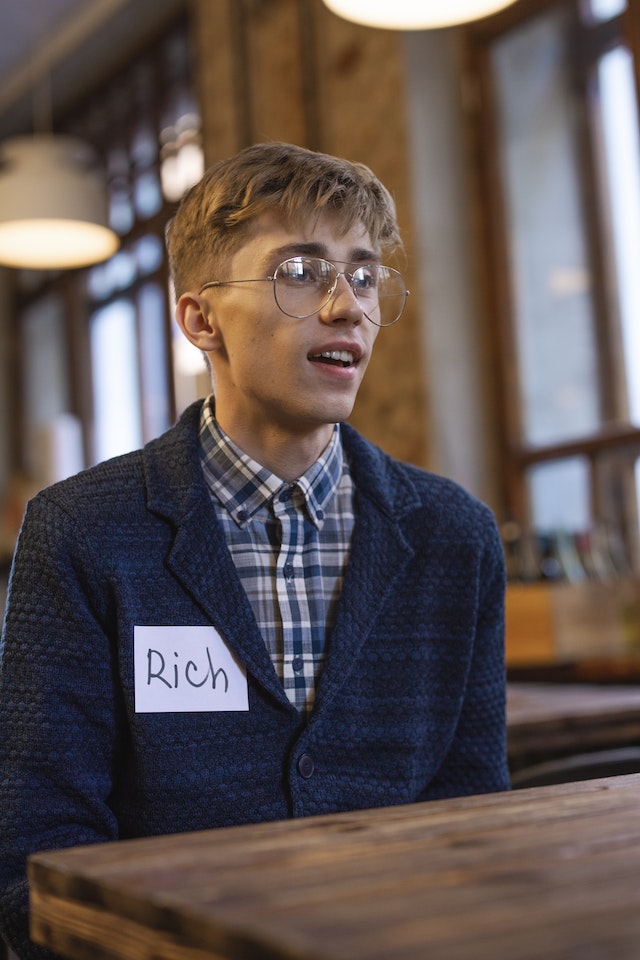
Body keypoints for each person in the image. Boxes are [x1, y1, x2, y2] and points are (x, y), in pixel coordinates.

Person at [0, 141, 509, 959]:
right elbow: (39, 853)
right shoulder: (83, 530)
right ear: (200, 319)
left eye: (366, 275)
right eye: (301, 273)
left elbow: (474, 815)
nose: (348, 307)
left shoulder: (454, 535)